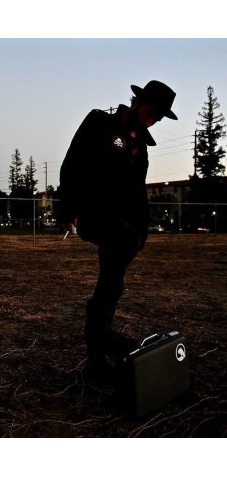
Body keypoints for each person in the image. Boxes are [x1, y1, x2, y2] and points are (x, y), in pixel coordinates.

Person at [58, 80, 178, 380]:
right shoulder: (100, 122)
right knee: (112, 273)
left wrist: (142, 233)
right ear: (138, 101)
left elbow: (138, 193)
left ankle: (98, 356)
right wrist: (67, 208)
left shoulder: (142, 147)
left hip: (124, 226)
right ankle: (107, 343)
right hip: (94, 213)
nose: (152, 120)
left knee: (110, 287)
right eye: (151, 112)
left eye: (158, 117)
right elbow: (72, 163)